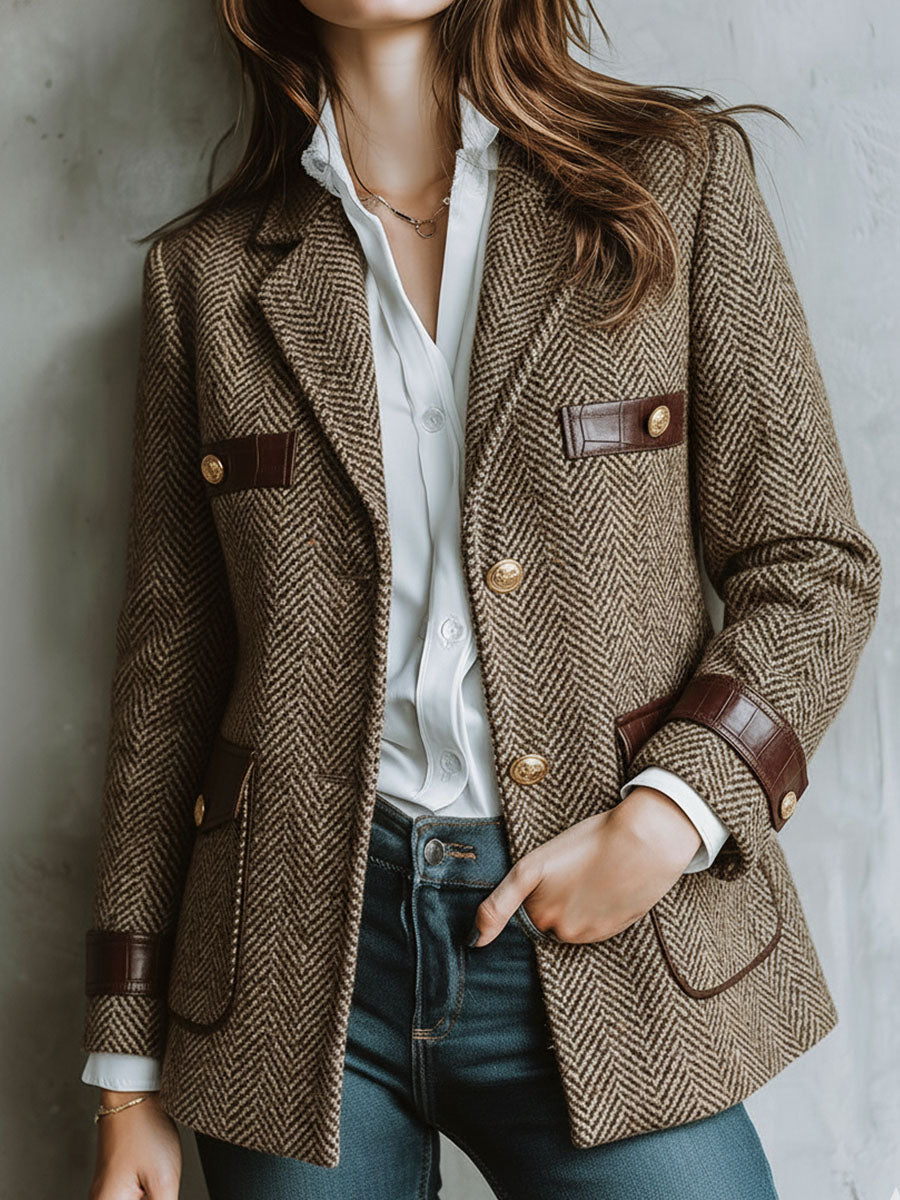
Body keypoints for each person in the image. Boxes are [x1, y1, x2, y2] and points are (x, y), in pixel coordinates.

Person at [81, 2, 882, 1198]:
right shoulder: (204, 278)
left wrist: (670, 817)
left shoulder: (670, 183)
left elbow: (812, 563)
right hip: (295, 975)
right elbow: (168, 684)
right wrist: (125, 1073)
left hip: (602, 937)